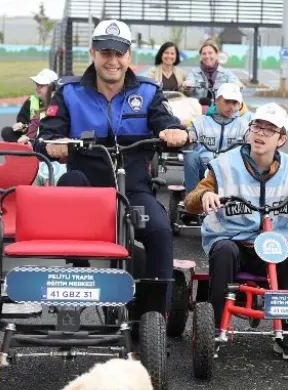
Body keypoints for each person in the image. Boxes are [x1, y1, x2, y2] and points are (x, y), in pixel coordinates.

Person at [36, 19, 188, 287]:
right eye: (106, 52)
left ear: (129, 55)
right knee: (68, 183)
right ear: (92, 52)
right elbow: (45, 136)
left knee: (161, 231)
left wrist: (174, 133)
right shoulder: (68, 92)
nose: (113, 61)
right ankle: (80, 278)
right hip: (86, 189)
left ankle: (155, 313)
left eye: (119, 53)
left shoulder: (148, 91)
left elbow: (167, 122)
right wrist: (52, 144)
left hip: (133, 189)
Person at [183, 103, 288, 361]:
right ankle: (215, 329)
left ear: (281, 139)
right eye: (257, 127)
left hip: (273, 247)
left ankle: (287, 332)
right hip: (234, 243)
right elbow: (192, 201)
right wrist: (205, 194)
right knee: (223, 251)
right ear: (249, 131)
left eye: (269, 130)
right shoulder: (224, 164)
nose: (260, 134)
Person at [182, 82, 249, 196]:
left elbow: (252, 139)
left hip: (231, 172)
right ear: (217, 100)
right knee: (191, 155)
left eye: (235, 102)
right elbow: (187, 135)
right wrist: (184, 137)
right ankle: (193, 199)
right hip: (204, 170)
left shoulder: (244, 125)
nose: (231, 106)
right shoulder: (201, 122)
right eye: (227, 101)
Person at [1, 68, 59, 142]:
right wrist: (21, 127)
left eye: (41, 85)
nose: (37, 88)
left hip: (48, 138)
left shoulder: (58, 103)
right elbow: (23, 122)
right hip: (30, 135)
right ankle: (25, 144)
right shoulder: (31, 101)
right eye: (37, 85)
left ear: (53, 87)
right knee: (6, 131)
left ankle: (27, 145)